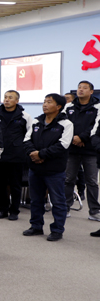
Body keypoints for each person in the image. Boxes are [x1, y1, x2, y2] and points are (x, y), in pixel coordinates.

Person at [23, 94, 73, 241]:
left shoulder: (66, 124)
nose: (45, 104)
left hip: (54, 170)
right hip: (35, 168)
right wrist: (33, 154)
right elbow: (26, 140)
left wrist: (41, 154)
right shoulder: (36, 121)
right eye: (44, 101)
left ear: (58, 107)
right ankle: (36, 226)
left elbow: (63, 145)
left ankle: (57, 230)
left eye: (49, 102)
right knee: (36, 200)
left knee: (57, 201)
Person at [63, 81, 100, 221]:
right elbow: (64, 123)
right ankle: (65, 208)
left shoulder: (97, 107)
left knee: (92, 181)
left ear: (91, 91)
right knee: (68, 179)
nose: (81, 90)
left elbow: (96, 126)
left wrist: (82, 137)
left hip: (90, 149)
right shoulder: (69, 106)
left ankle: (94, 211)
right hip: (72, 148)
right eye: (79, 87)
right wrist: (73, 138)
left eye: (84, 88)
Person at [0, 90, 33, 220]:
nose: (7, 99)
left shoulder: (24, 116)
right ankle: (2, 210)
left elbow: (29, 135)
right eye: (5, 97)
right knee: (0, 185)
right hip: (0, 155)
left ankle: (14, 211)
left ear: (17, 101)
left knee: (15, 185)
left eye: (10, 97)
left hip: (17, 155)